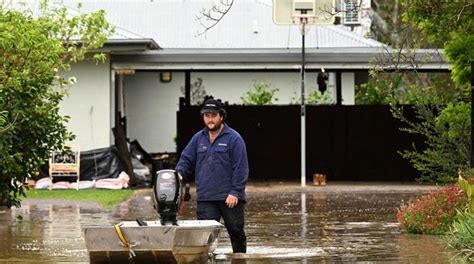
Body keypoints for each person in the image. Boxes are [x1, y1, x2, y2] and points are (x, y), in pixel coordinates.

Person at [175, 98, 249, 253]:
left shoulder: (234, 138)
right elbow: (186, 158)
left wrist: (235, 192)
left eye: (213, 115)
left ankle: (240, 259)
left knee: (236, 233)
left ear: (221, 116)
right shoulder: (198, 139)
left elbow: (241, 168)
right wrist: (179, 173)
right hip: (206, 197)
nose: (210, 119)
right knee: (204, 237)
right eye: (207, 115)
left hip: (230, 199)